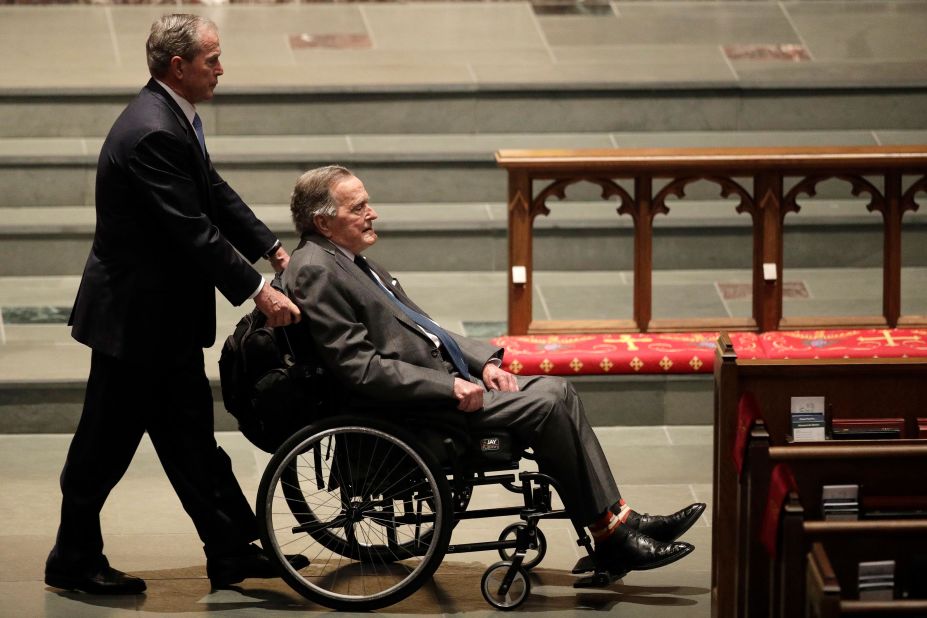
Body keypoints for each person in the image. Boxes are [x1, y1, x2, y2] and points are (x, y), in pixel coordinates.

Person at [281, 165, 705, 578]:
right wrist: (449, 385)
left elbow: (423, 327)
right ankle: (613, 535)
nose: (372, 213)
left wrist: (483, 362)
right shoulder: (318, 269)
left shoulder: (348, 259)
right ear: (324, 221)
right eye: (359, 207)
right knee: (549, 402)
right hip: (413, 407)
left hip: (438, 385)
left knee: (559, 392)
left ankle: (618, 521)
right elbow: (361, 369)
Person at [45, 14, 306, 595]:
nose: (221, 68)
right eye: (211, 59)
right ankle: (72, 558)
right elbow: (193, 231)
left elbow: (211, 191)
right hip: (134, 325)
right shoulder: (152, 131)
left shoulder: (172, 117)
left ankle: (231, 552)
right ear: (178, 66)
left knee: (190, 440)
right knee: (103, 445)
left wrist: (271, 249)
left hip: (164, 323)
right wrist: (258, 289)